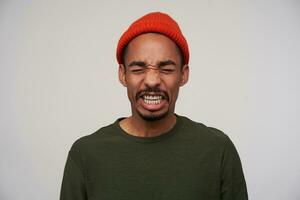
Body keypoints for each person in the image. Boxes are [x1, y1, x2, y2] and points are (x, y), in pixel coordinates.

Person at [60, 12, 248, 200]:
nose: (151, 80)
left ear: (183, 75)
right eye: (138, 69)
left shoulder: (217, 150)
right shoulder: (85, 154)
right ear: (122, 74)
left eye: (166, 69)